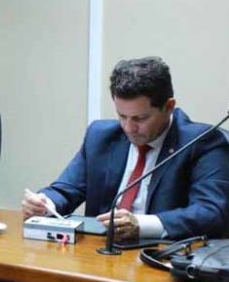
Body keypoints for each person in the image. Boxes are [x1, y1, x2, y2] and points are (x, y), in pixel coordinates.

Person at [22, 57, 229, 241]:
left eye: (140, 118)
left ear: (168, 107)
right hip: (98, 255)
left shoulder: (203, 142)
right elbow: (66, 190)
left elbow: (211, 212)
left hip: (161, 257)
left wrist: (141, 225)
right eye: (122, 116)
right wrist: (45, 204)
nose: (129, 128)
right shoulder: (100, 136)